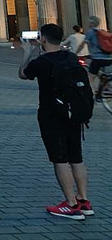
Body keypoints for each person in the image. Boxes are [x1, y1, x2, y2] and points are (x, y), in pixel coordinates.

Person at [19, 23, 94, 220]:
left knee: (59, 159)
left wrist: (27, 52)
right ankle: (84, 201)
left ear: (43, 39)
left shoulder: (41, 62)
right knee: (76, 157)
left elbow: (23, 74)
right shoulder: (70, 57)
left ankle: (70, 204)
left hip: (51, 115)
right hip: (74, 114)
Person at [78, 15, 112, 98]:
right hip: (108, 57)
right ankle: (105, 87)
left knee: (91, 77)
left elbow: (82, 45)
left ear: (91, 23)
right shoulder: (102, 31)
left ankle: (93, 93)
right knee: (100, 74)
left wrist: (75, 52)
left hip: (98, 58)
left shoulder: (90, 32)